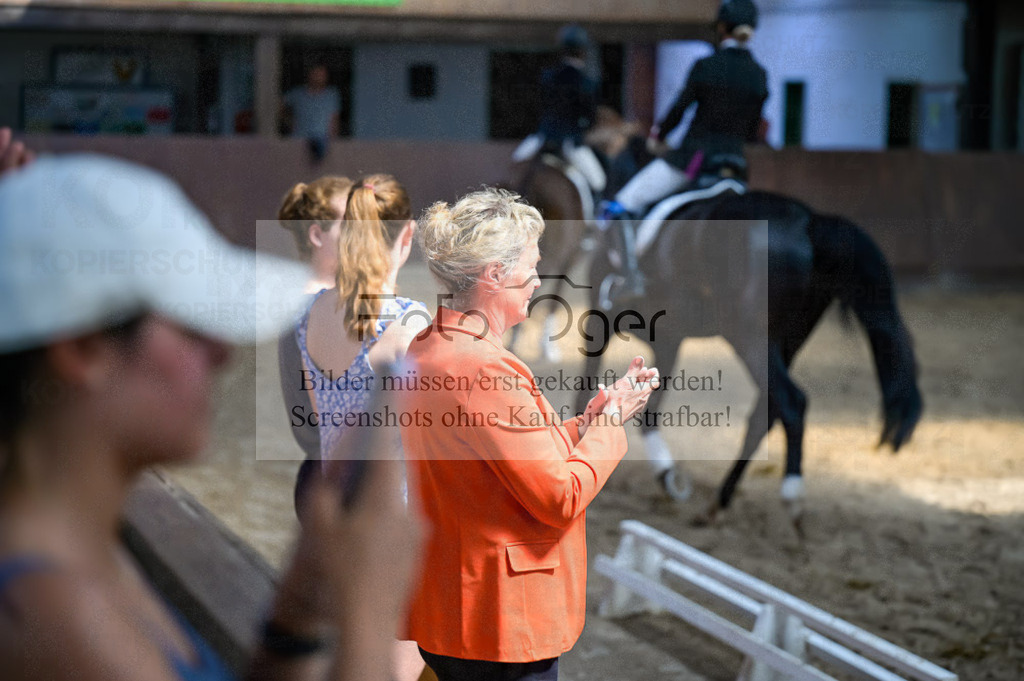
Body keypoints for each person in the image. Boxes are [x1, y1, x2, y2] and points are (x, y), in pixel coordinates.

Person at [0, 153, 423, 681]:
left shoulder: (80, 563)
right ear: (84, 350)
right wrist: (369, 616)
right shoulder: (54, 621)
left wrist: (297, 620)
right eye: (188, 326)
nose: (221, 353)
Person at [401, 188, 660, 681]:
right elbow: (559, 494)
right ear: (494, 275)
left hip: (456, 607)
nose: (538, 279)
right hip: (500, 619)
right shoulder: (484, 368)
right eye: (531, 265)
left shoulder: (431, 345)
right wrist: (609, 427)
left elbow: (504, 452)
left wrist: (589, 420)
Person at [289, 175, 431, 681]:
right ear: (407, 236)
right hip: (388, 514)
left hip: (331, 504)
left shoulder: (311, 314)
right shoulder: (412, 323)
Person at [598, 0, 769, 304]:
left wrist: (658, 135)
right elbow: (752, 128)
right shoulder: (759, 74)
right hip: (736, 166)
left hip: (694, 161)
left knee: (622, 204)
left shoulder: (706, 66)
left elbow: (679, 109)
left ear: (721, 28)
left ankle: (631, 279)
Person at [276, 175, 354, 508]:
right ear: (317, 234)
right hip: (336, 481)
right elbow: (335, 416)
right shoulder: (319, 307)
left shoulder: (306, 299)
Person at [515, 24, 605, 197]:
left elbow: (536, 109)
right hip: (571, 143)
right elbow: (590, 119)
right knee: (598, 181)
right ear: (583, 52)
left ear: (562, 50)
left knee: (515, 168)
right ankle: (593, 221)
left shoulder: (547, 77)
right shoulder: (587, 83)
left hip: (543, 138)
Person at [283, 64, 342, 162]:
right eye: (317, 74)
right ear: (310, 75)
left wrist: (334, 139)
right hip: (299, 137)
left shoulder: (331, 95)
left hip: (322, 139)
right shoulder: (298, 93)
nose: (319, 77)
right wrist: (288, 121)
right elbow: (279, 105)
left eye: (322, 75)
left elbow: (334, 118)